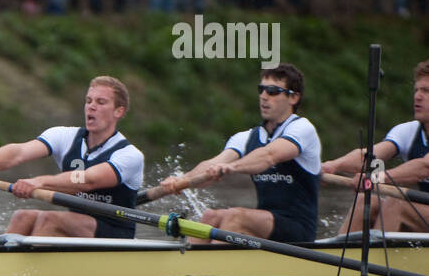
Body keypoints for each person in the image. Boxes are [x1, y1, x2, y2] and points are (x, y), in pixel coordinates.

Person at [0, 76, 143, 238]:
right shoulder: (64, 136)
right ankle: (1, 273)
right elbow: (18, 152)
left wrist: (39, 182)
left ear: (119, 111)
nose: (91, 107)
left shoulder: (129, 155)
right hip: (78, 224)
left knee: (49, 218)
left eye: (100, 102)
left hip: (115, 232)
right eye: (88, 101)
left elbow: (87, 180)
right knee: (22, 216)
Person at [160, 64, 321, 244]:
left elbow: (269, 156)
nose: (264, 96)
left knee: (235, 217)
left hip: (298, 230)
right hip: (265, 224)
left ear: (293, 97)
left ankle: (213, 271)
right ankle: (189, 270)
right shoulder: (246, 137)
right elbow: (213, 163)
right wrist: (181, 180)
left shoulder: (302, 129)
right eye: (261, 90)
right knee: (210, 217)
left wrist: (231, 167)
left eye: (273, 91)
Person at [321, 59, 429, 233]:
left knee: (396, 202)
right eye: (416, 90)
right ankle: (338, 257)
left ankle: (373, 258)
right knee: (365, 200)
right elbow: (369, 156)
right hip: (424, 212)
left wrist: (375, 178)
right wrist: (333, 165)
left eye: (426, 91)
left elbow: (423, 168)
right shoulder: (410, 131)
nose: (417, 96)